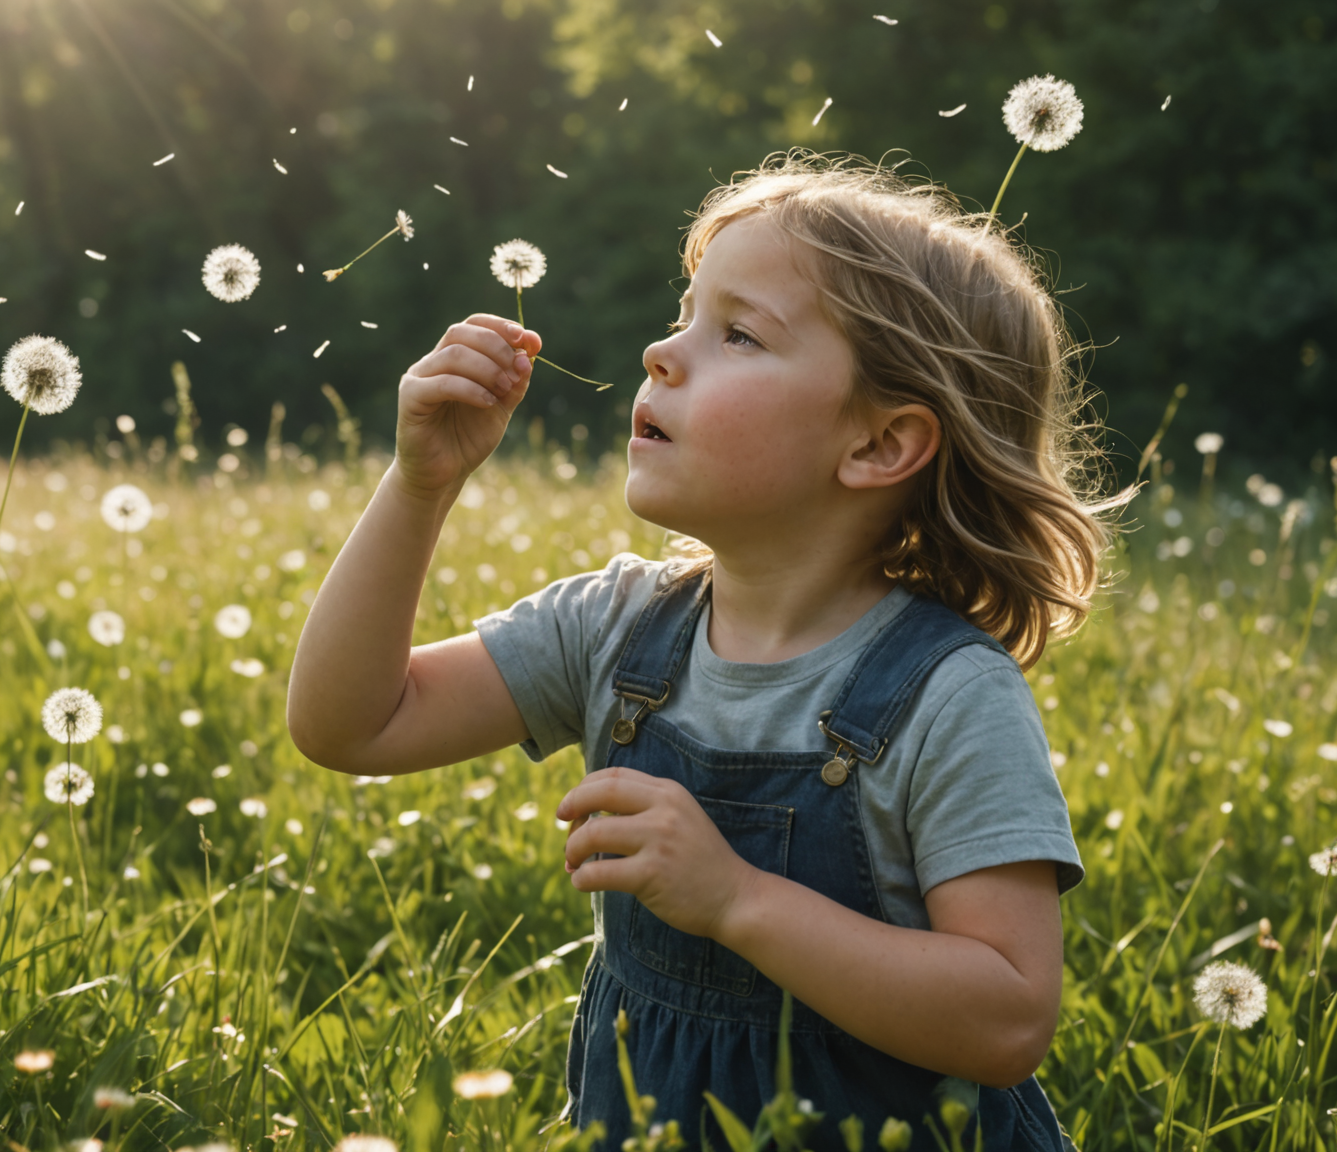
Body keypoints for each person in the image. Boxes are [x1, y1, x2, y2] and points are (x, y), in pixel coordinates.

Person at [286, 152, 1118, 1151]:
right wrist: (420, 486)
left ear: (879, 445)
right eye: (683, 315)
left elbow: (1009, 1015)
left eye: (737, 334)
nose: (661, 353)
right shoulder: (615, 629)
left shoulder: (947, 696)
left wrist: (738, 899)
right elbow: (349, 723)